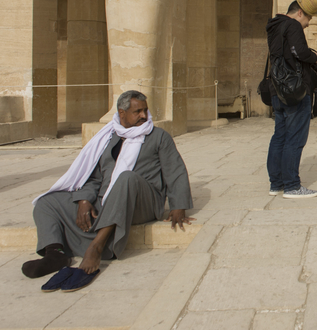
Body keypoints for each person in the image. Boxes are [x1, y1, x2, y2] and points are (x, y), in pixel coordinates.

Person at [23, 90, 193, 292]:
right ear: (122, 114)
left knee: (126, 177)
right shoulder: (107, 138)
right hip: (105, 202)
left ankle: (96, 246)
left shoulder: (158, 137)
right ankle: (55, 253)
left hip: (142, 203)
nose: (143, 116)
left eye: (145, 111)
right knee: (46, 202)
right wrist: (84, 200)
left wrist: (178, 206)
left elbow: (175, 170)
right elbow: (94, 177)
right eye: (137, 111)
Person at [266, 0, 317, 199]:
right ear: (300, 13)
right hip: (295, 92)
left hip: (277, 90)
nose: (308, 23)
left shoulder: (275, 26)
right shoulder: (293, 26)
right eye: (308, 18)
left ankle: (277, 184)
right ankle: (292, 186)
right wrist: (315, 57)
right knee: (294, 138)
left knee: (279, 136)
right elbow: (300, 52)